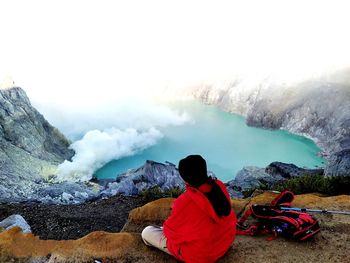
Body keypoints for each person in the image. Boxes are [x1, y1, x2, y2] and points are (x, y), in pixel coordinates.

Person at [142, 155, 237, 262]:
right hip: (225, 242)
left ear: (185, 179)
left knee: (147, 232)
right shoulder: (219, 186)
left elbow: (171, 233)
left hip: (202, 256)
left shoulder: (185, 202)